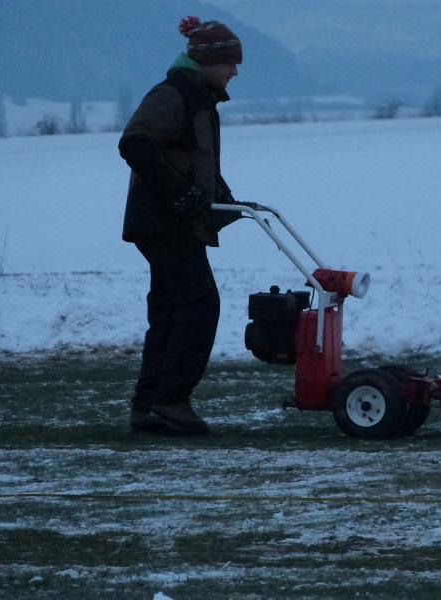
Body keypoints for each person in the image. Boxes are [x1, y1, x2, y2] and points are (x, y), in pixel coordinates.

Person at [118, 16, 244, 434]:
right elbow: (135, 142)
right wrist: (178, 194)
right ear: (206, 61)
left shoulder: (201, 97)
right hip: (164, 221)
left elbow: (193, 160)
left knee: (171, 312)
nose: (235, 70)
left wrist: (224, 199)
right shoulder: (174, 94)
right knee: (199, 304)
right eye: (229, 61)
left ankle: (147, 406)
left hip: (172, 220)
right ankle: (171, 402)